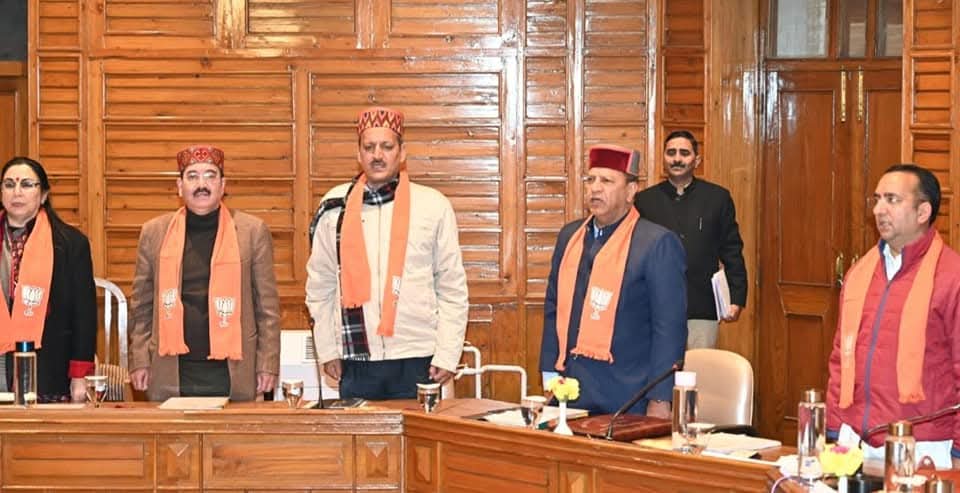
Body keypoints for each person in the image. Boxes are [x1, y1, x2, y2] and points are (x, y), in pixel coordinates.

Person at [306, 106, 468, 400]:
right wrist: (327, 349)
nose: (377, 155)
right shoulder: (334, 206)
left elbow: (451, 287)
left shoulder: (433, 206)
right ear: (358, 154)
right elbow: (320, 284)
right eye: (369, 147)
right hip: (355, 358)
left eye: (386, 146)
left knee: (420, 433)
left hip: (418, 355)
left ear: (402, 152)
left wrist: (447, 353)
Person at [826, 164, 960, 469]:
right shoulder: (860, 272)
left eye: (892, 200)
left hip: (924, 447)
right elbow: (840, 358)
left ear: (923, 211)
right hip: (856, 442)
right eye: (877, 199)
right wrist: (834, 429)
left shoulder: (952, 276)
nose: (879, 210)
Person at [540, 145, 687, 417]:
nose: (595, 188)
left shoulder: (656, 243)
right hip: (569, 391)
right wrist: (549, 373)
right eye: (591, 179)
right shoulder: (570, 237)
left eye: (607, 181)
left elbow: (669, 329)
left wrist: (660, 398)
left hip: (628, 396)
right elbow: (553, 308)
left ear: (631, 191)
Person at [128, 145, 281, 401]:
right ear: (180, 186)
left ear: (223, 185)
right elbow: (141, 307)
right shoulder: (154, 233)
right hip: (171, 368)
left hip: (233, 368)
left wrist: (268, 363)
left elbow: (267, 308)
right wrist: (139, 359)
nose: (202, 184)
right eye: (193, 176)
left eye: (210, 176)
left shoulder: (252, 232)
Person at [633, 130, 747, 349]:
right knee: (661, 368)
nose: (677, 159)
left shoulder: (717, 198)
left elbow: (732, 250)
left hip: (702, 306)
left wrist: (736, 297)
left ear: (697, 160)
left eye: (684, 153)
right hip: (655, 306)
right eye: (671, 153)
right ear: (663, 158)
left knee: (699, 368)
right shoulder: (645, 201)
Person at [0, 156, 96, 402]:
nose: (17, 192)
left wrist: (80, 375)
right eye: (9, 184)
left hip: (48, 365)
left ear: (43, 195)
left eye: (26, 184)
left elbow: (83, 315)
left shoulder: (70, 244)